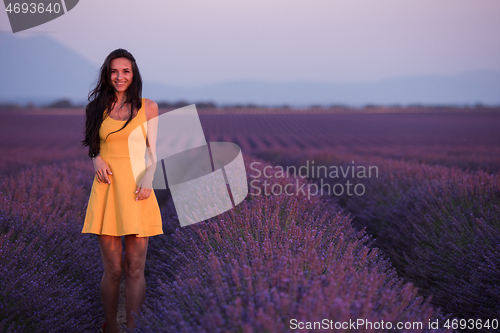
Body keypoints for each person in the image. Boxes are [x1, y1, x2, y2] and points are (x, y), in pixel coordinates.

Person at [81, 48, 163, 333]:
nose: (119, 77)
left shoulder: (148, 107)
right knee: (114, 270)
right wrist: (96, 158)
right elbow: (92, 145)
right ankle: (111, 328)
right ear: (107, 73)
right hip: (107, 190)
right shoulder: (95, 108)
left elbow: (154, 152)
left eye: (125, 71)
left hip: (139, 190)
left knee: (135, 269)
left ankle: (134, 326)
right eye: (114, 71)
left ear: (133, 74)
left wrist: (149, 177)